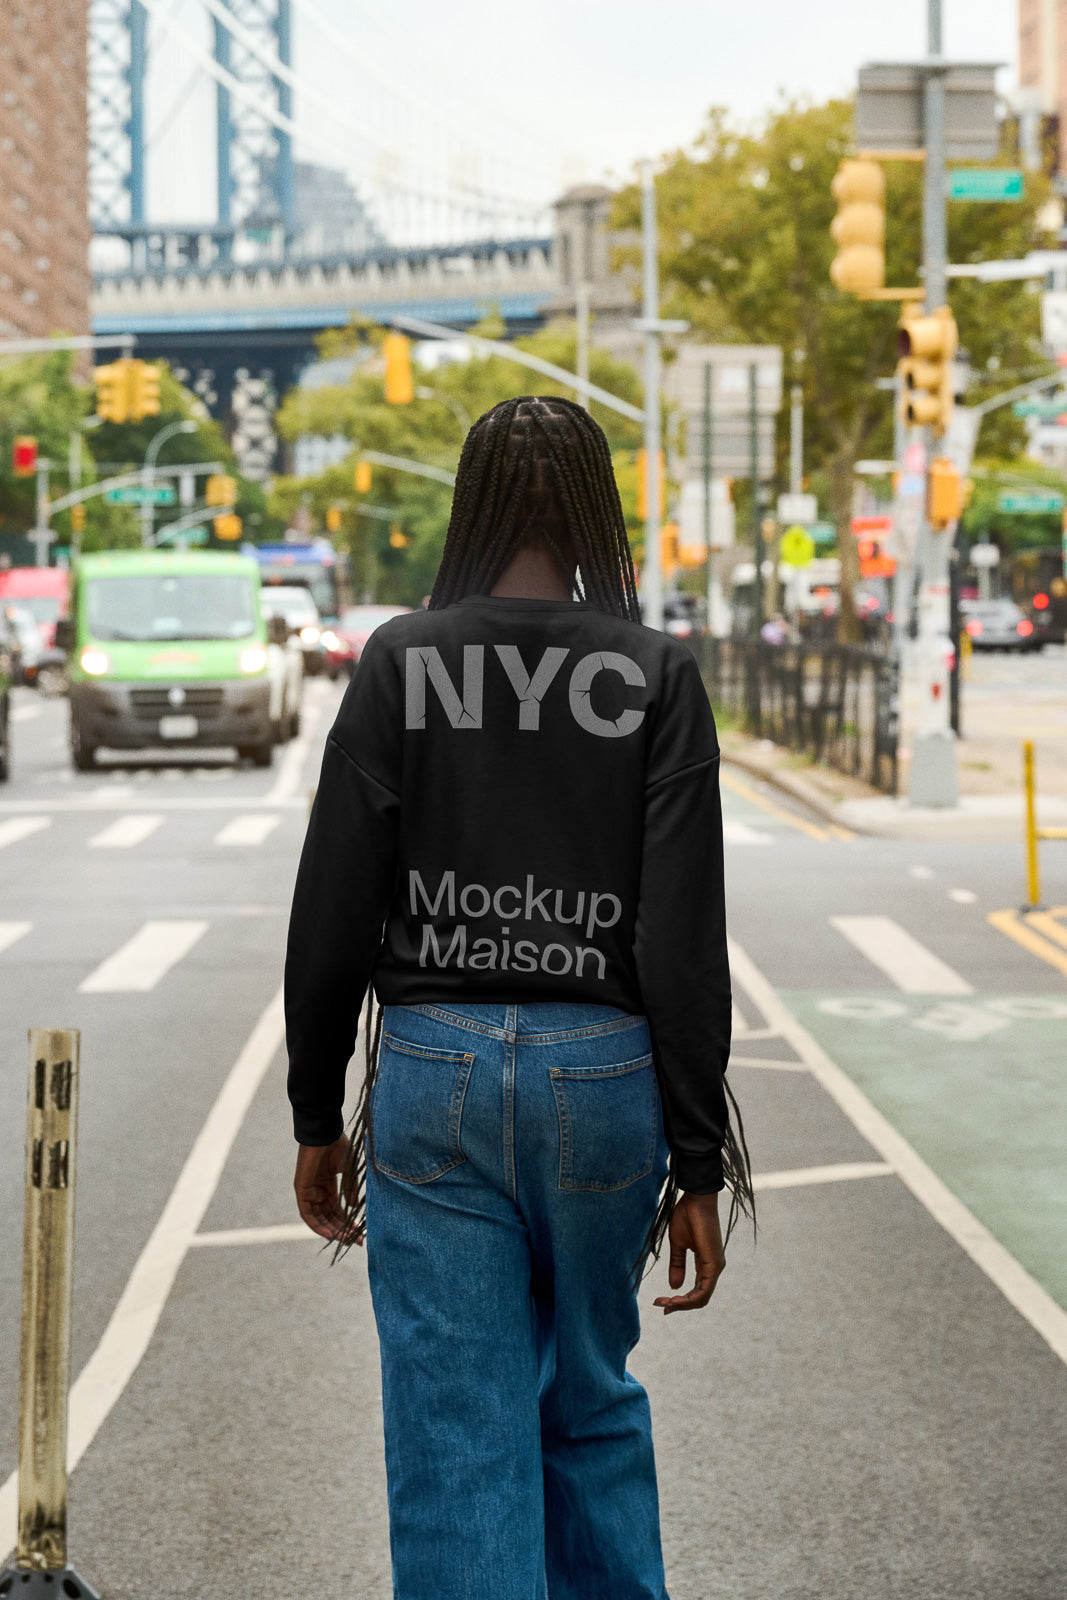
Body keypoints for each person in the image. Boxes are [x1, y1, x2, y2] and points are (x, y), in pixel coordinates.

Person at [285, 395, 753, 1600]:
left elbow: (332, 906)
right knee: (590, 1400)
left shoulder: (402, 659)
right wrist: (699, 1163)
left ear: (471, 504)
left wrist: (315, 1117)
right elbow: (684, 944)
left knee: (455, 1432)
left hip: (433, 1070)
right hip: (603, 1073)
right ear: (596, 510)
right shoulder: (654, 673)